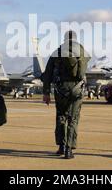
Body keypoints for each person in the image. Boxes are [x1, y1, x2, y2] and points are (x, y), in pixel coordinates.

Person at [42, 31, 90, 159]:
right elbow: (83, 71)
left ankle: (61, 147)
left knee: (61, 116)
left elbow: (47, 75)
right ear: (75, 38)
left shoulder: (57, 52)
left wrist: (46, 93)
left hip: (61, 89)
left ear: (64, 39)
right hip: (77, 89)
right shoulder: (82, 51)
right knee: (73, 119)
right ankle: (69, 149)